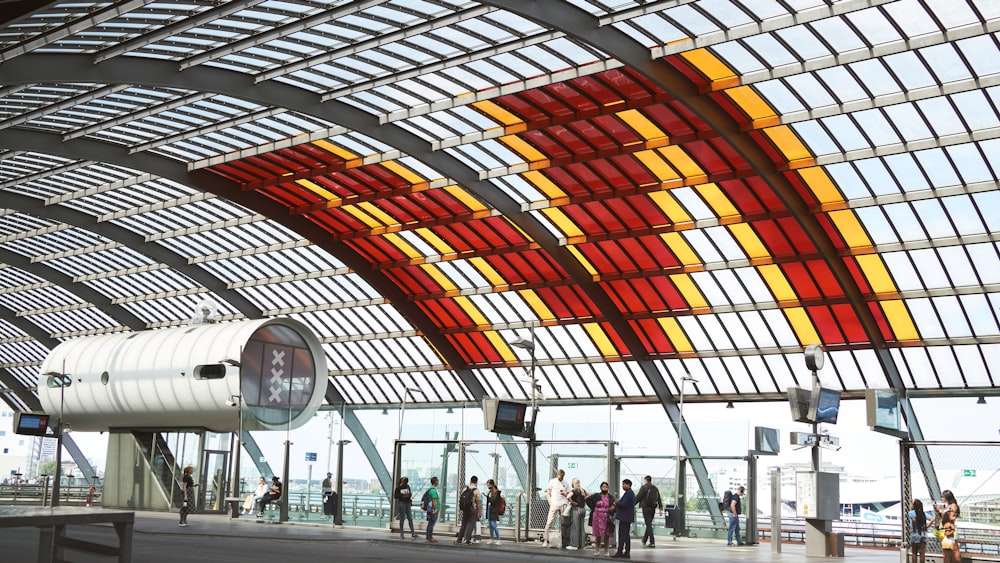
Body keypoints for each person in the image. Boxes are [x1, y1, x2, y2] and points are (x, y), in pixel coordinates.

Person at [541, 469, 569, 548]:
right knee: (549, 522)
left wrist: (565, 493)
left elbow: (569, 492)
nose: (561, 477)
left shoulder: (566, 482)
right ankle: (545, 540)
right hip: (554, 504)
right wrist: (550, 502)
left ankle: (562, 541)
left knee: (563, 523)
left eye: (563, 476)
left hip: (563, 504)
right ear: (558, 475)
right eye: (560, 476)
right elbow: (548, 492)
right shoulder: (552, 481)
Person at [587, 481, 615, 557]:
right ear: (600, 488)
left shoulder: (611, 497)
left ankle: (606, 550)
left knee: (607, 534)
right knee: (598, 534)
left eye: (606, 487)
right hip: (597, 517)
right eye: (603, 487)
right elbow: (588, 500)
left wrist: (612, 507)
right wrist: (593, 507)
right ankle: (597, 550)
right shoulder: (596, 496)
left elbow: (614, 505)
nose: (604, 488)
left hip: (607, 517)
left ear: (608, 488)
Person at [635, 475, 662, 548]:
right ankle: (644, 540)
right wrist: (660, 508)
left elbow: (639, 497)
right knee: (649, 524)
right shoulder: (655, 488)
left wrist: (632, 504)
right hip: (653, 508)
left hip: (646, 507)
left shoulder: (644, 487)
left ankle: (652, 541)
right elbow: (659, 498)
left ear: (646, 480)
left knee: (648, 524)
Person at [611, 478, 636, 559]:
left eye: (623, 484)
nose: (622, 486)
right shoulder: (631, 493)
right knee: (626, 535)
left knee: (622, 535)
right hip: (627, 517)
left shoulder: (628, 494)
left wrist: (617, 502)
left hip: (624, 517)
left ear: (628, 485)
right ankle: (626, 552)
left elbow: (623, 504)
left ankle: (620, 552)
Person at [456, 475, 481, 545]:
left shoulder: (465, 489)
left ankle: (459, 539)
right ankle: (467, 540)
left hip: (465, 509)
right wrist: (479, 512)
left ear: (470, 481)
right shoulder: (476, 491)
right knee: (471, 525)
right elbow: (478, 503)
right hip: (473, 509)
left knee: (463, 524)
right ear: (476, 482)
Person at [566, 477, 587, 550]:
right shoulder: (583, 490)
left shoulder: (574, 490)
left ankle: (574, 545)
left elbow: (568, 496)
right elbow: (588, 495)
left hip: (576, 509)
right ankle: (582, 545)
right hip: (583, 510)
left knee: (575, 527)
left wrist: (572, 502)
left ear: (573, 484)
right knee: (581, 528)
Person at [909, 498, 928, 563]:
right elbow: (932, 519)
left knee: (914, 553)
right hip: (923, 533)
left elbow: (913, 520)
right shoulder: (923, 514)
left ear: (914, 506)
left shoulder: (911, 513)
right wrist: (926, 526)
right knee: (922, 553)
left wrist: (914, 528)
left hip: (915, 533)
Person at [485, 479, 502, 545]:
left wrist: (487, 497)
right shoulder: (490, 492)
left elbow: (494, 501)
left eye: (488, 484)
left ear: (491, 484)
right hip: (490, 509)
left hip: (494, 510)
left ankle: (498, 539)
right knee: (490, 525)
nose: (487, 486)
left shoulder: (497, 492)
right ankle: (491, 538)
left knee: (493, 525)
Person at [425, 476, 440, 543]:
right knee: (431, 523)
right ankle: (430, 537)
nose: (438, 482)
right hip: (433, 509)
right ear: (435, 482)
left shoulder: (430, 490)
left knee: (430, 523)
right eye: (438, 481)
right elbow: (434, 501)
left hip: (430, 509)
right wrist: (436, 509)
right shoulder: (433, 491)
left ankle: (428, 536)